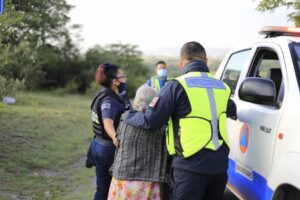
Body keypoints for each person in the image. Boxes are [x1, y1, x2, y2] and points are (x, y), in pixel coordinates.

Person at [125, 41, 237, 200]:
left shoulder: (176, 86)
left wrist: (128, 115)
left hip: (190, 168)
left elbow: (150, 121)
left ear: (181, 64)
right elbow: (232, 110)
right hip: (219, 167)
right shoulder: (223, 87)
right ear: (205, 61)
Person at [108, 85, 170, 200]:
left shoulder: (124, 120)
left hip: (122, 178)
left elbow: (118, 147)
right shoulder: (163, 126)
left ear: (136, 101)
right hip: (150, 181)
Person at [90, 63, 128, 200]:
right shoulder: (109, 100)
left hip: (99, 144)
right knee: (104, 190)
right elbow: (107, 122)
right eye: (122, 76)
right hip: (107, 149)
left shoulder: (106, 93)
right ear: (115, 81)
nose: (125, 79)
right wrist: (114, 137)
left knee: (104, 187)